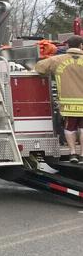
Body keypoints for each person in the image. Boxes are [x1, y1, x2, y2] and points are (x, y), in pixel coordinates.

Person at [35, 35, 83, 163]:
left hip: (68, 103)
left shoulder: (58, 60)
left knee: (70, 128)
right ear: (81, 46)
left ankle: (73, 154)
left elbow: (39, 67)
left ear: (68, 46)